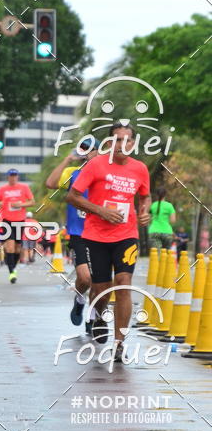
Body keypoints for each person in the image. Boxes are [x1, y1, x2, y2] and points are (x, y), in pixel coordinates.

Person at [67, 122, 151, 361]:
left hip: (127, 235)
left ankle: (119, 343)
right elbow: (72, 196)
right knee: (100, 290)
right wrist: (100, 211)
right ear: (110, 143)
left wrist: (144, 211)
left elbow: (145, 195)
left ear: (133, 144)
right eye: (117, 140)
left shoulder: (140, 169)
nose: (122, 145)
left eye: (127, 140)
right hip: (96, 236)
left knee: (123, 283)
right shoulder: (96, 165)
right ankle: (99, 312)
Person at [46, 137, 99, 332]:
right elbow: (50, 183)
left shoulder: (104, 174)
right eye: (83, 148)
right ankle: (79, 299)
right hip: (79, 234)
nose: (86, 151)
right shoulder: (72, 173)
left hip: (101, 233)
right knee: (85, 279)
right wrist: (68, 160)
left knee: (99, 280)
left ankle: (93, 318)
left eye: (90, 149)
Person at [0, 169, 34, 283]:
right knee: (10, 246)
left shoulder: (24, 188)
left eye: (15, 176)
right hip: (7, 221)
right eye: (11, 176)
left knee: (17, 248)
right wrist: (2, 203)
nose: (13, 178)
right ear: (8, 177)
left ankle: (13, 266)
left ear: (17, 177)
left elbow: (32, 201)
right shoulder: (3, 189)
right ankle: (11, 272)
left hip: (20, 221)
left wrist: (21, 204)